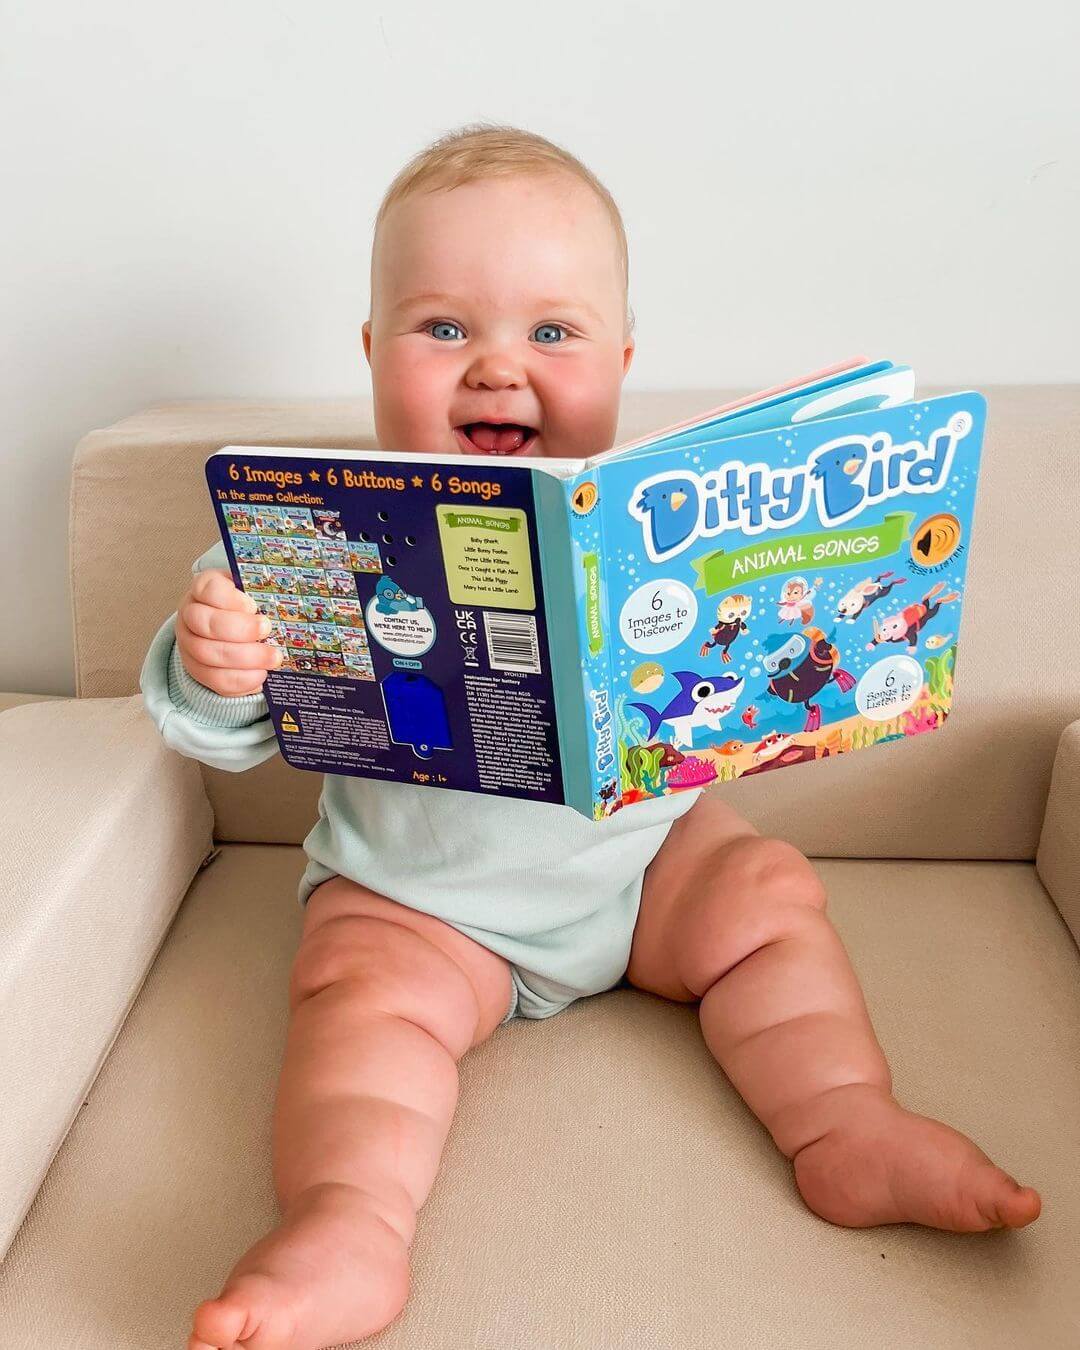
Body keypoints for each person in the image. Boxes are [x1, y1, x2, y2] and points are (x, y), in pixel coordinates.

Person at [140, 124, 1040, 1350]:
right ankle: (348, 1221)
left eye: (550, 333)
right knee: (359, 1002)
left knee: (767, 890)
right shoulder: (309, 529)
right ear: (370, 352)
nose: (498, 371)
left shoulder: (645, 525)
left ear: (621, 358)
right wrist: (217, 661)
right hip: (423, 900)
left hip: (642, 867)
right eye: (444, 328)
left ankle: (848, 1123)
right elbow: (220, 726)